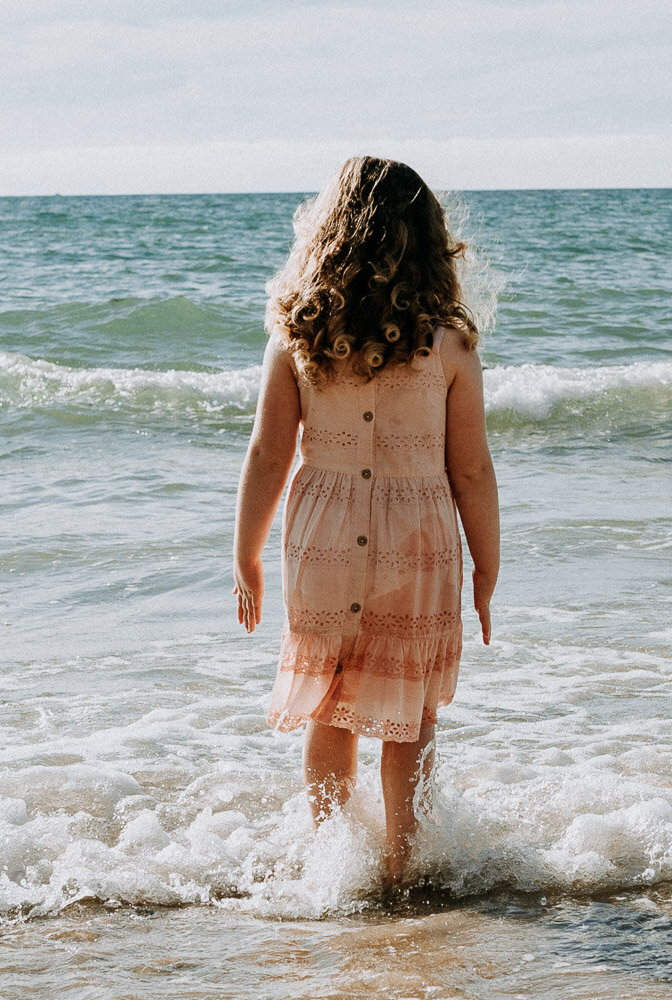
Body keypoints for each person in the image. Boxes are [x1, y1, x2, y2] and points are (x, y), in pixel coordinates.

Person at [232, 156, 499, 890]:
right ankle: (402, 865)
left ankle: (331, 861)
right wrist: (487, 568)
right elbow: (471, 469)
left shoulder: (299, 331)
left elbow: (267, 452)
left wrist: (246, 555)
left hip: (321, 536)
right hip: (418, 541)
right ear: (430, 238)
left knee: (331, 703)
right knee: (407, 714)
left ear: (329, 233)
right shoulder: (448, 341)